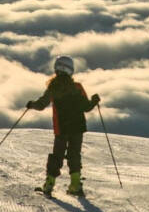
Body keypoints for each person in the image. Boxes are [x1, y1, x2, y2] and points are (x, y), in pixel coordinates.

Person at [26, 55, 100, 196]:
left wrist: (31, 105)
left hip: (61, 128)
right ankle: (75, 185)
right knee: (74, 154)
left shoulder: (53, 88)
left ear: (57, 69)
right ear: (71, 70)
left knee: (57, 156)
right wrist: (94, 101)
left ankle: (49, 184)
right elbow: (86, 107)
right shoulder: (77, 87)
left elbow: (41, 105)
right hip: (77, 127)